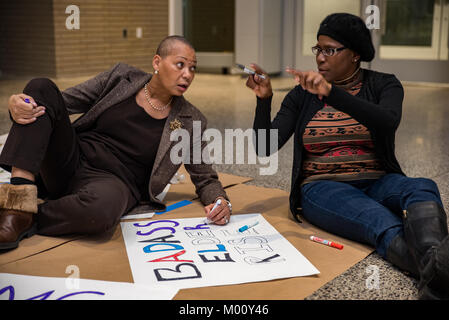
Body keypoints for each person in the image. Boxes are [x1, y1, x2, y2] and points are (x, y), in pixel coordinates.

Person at [246, 13, 449, 300]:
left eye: (330, 50)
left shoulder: (383, 85)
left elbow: (387, 121)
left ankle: (439, 276)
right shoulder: (301, 95)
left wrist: (332, 94)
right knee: (379, 221)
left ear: (354, 55)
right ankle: (439, 270)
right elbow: (265, 146)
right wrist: (263, 100)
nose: (320, 58)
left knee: (422, 186)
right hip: (323, 186)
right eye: (318, 49)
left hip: (379, 179)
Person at [0, 35, 232, 251]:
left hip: (114, 184)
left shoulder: (190, 120)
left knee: (100, 212)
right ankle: (16, 202)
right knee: (40, 88)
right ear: (157, 62)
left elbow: (205, 177)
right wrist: (16, 103)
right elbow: (58, 102)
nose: (188, 75)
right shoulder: (120, 78)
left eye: (193, 68)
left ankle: (26, 215)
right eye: (180, 65)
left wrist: (220, 200)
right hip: (70, 159)